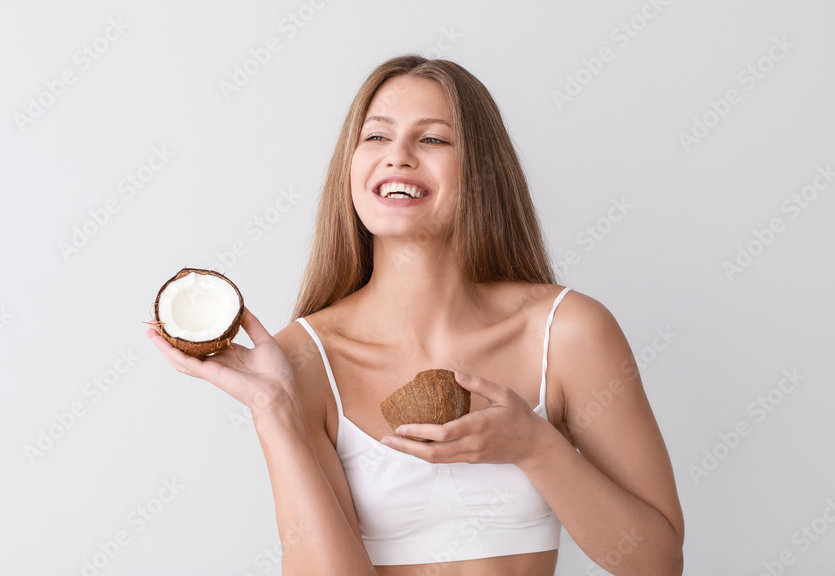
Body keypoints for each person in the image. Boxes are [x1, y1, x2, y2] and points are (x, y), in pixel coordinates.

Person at [146, 55, 684, 575]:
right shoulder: (301, 360)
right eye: (376, 136)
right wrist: (273, 409)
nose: (397, 155)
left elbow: (657, 562)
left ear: (481, 171)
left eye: (432, 139)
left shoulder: (568, 332)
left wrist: (535, 446)